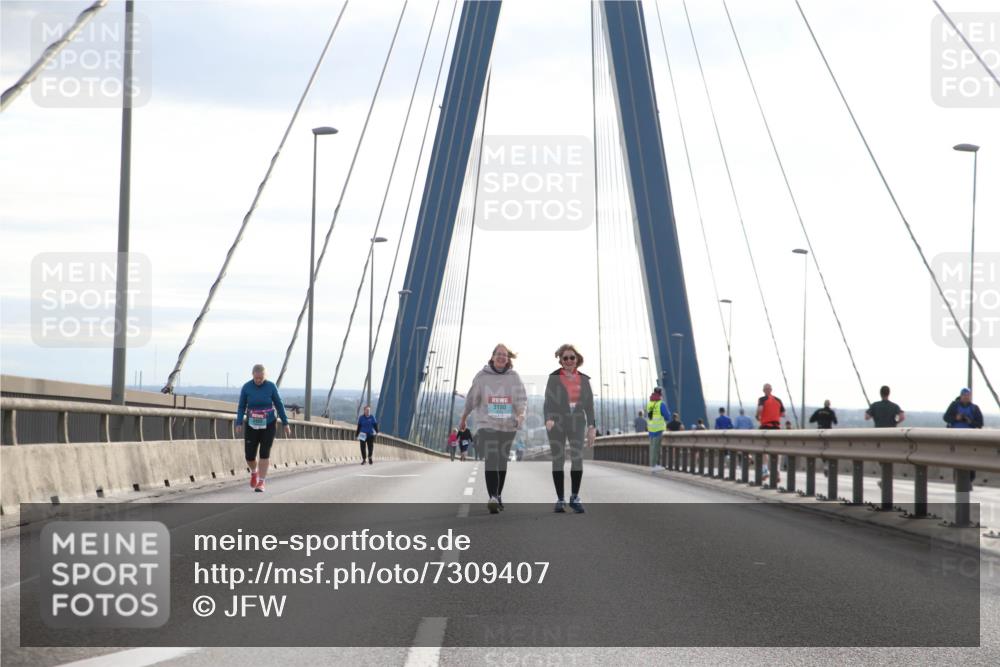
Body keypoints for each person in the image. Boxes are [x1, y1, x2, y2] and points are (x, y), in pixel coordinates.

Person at [458, 343, 527, 514]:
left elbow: (521, 400)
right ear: (493, 356)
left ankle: (498, 495)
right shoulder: (482, 376)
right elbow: (471, 399)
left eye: (505, 355)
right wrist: (464, 417)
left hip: (508, 426)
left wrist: (520, 415)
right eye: (499, 354)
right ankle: (493, 497)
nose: (502, 357)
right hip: (486, 424)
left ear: (508, 358)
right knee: (492, 458)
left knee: (502, 461)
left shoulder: (514, 377)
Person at [544, 344, 597, 514]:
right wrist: (548, 418)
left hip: (577, 422)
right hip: (557, 422)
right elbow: (548, 402)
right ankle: (560, 499)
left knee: (577, 458)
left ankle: (574, 497)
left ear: (577, 359)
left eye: (571, 357)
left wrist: (591, 427)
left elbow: (589, 406)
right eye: (565, 358)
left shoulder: (584, 380)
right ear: (560, 360)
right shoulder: (553, 378)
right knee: (558, 459)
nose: (568, 361)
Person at [235, 364, 291, 493]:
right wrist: (238, 422)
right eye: (256, 378)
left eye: (261, 378)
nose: (259, 380)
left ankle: (261, 482)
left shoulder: (271, 386)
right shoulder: (247, 387)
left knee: (264, 453)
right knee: (249, 456)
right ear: (252, 375)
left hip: (269, 424)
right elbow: (241, 406)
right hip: (251, 424)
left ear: (265, 376)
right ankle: (254, 472)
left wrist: (285, 422)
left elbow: (279, 404)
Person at [646, 387, 668, 472]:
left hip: (651, 429)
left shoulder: (649, 404)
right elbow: (667, 416)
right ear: (660, 394)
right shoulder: (661, 404)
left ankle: (654, 464)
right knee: (656, 447)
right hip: (658, 429)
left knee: (652, 447)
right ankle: (654, 465)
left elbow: (649, 415)